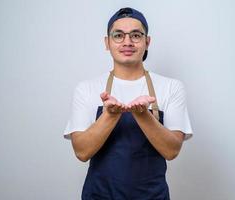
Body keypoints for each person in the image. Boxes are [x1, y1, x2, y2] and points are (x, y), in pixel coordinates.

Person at [63, 7, 193, 200]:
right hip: (99, 196)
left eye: (136, 35)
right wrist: (110, 115)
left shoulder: (171, 87)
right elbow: (82, 152)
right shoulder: (87, 89)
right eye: (118, 35)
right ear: (107, 42)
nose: (127, 42)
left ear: (147, 42)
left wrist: (143, 115)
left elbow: (171, 150)